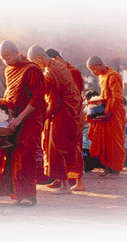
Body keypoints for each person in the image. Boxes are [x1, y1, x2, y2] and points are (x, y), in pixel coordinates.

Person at [0, 40, 45, 206]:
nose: (7, 60)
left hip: (30, 119)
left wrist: (20, 118)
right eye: (3, 58)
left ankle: (29, 195)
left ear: (16, 52)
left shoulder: (31, 69)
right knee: (14, 156)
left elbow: (36, 98)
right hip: (13, 119)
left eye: (8, 56)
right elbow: (11, 95)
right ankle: (18, 193)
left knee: (25, 155)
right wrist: (4, 115)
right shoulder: (9, 70)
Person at [27, 45, 85, 192]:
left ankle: (65, 186)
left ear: (39, 58)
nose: (36, 66)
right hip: (73, 113)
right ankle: (73, 181)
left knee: (55, 149)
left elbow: (53, 102)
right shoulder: (59, 65)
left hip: (60, 115)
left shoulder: (49, 74)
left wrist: (42, 118)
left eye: (35, 62)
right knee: (71, 148)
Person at [86, 56, 126, 177]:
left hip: (114, 113)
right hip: (105, 110)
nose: (93, 73)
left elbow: (116, 97)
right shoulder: (102, 76)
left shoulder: (113, 76)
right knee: (105, 142)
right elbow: (105, 95)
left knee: (114, 142)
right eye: (90, 70)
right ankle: (108, 168)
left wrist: (108, 113)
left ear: (99, 65)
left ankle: (115, 169)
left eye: (93, 69)